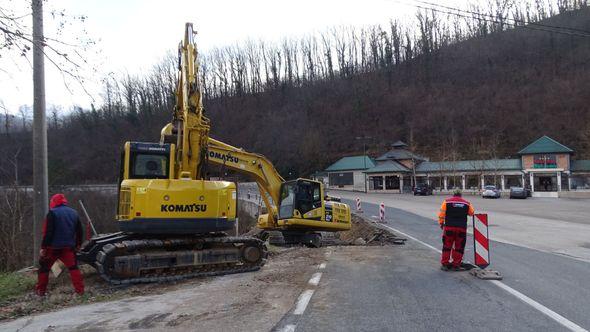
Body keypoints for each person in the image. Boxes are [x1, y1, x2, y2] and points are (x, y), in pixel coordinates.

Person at [35, 193, 85, 296]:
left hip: (52, 248)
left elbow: (48, 232)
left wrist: (43, 247)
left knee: (44, 268)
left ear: (53, 202)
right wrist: (78, 245)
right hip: (68, 248)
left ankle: (40, 292)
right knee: (73, 268)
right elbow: (79, 231)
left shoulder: (52, 213)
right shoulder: (74, 213)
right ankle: (80, 292)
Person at [438, 189, 475, 271]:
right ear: (461, 195)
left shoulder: (446, 202)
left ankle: (445, 264)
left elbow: (441, 214)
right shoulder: (467, 203)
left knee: (447, 246)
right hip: (461, 228)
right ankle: (456, 265)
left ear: (453, 194)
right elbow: (472, 213)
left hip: (449, 227)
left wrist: (441, 223)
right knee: (459, 247)